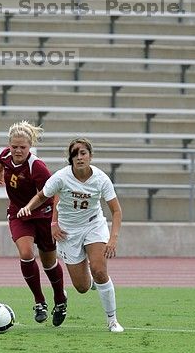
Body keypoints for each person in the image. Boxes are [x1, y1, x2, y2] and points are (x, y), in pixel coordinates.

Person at [16, 138, 124, 333]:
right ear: (70, 158)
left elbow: (116, 210)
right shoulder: (61, 177)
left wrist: (113, 238)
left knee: (100, 270)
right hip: (68, 232)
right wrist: (30, 209)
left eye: (83, 153)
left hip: (93, 226)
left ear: (90, 156)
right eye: (75, 154)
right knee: (82, 287)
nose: (79, 157)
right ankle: (90, 281)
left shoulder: (101, 179)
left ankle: (112, 320)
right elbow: (43, 196)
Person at [0, 120, 68, 326]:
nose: (17, 151)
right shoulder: (5, 156)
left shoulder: (38, 167)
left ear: (30, 147)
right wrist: (0, 172)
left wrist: (54, 222)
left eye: (22, 147)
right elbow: (2, 161)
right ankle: (39, 301)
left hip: (43, 216)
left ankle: (60, 299)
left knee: (49, 264)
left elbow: (53, 195)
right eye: (14, 146)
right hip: (19, 215)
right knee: (26, 254)